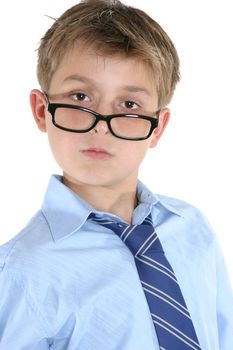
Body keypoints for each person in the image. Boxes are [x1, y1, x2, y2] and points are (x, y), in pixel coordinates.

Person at [0, 0, 232, 349]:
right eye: (80, 97)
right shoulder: (20, 272)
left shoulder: (192, 228)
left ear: (158, 127)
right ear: (41, 111)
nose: (101, 127)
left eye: (129, 105)